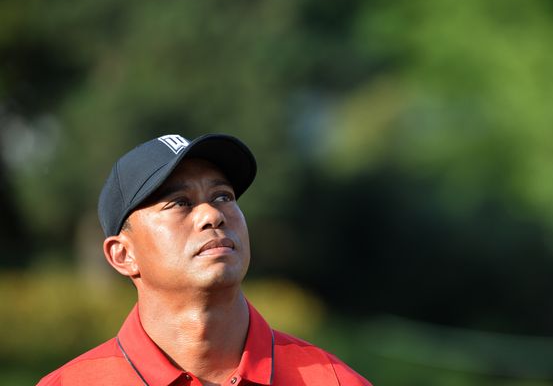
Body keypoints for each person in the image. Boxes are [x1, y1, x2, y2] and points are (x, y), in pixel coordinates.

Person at [37, 133, 372, 386]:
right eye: (180, 202)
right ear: (123, 255)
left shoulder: (333, 380)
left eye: (223, 196)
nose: (212, 214)